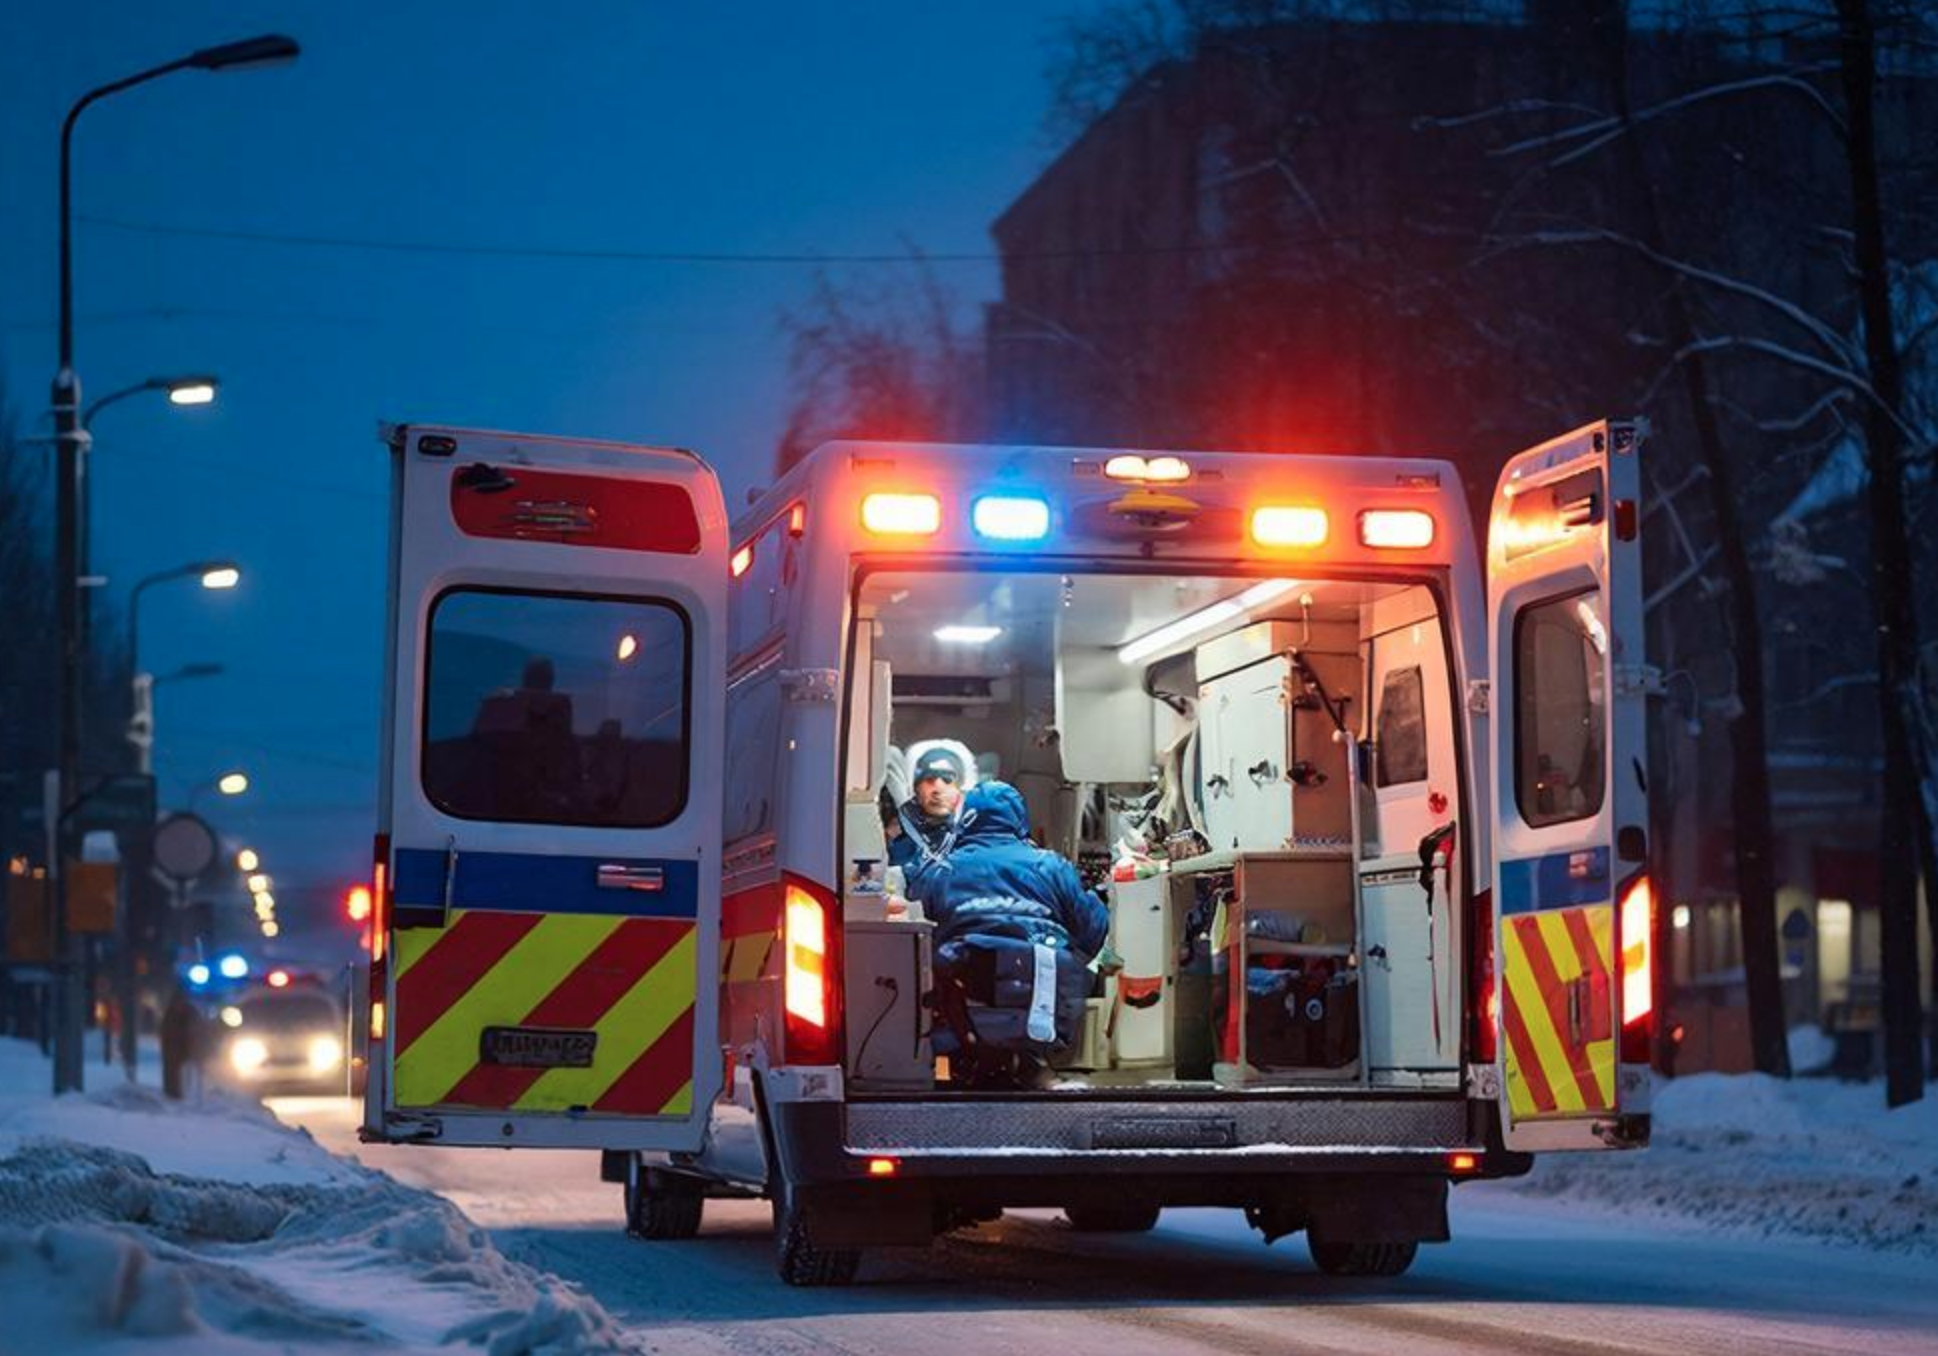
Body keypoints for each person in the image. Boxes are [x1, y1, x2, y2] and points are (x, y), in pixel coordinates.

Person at [902, 781, 1109, 1086]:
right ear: (1018, 818)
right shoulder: (1050, 866)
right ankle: (1034, 1063)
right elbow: (1091, 931)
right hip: (1041, 1006)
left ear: (967, 817)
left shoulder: (940, 869)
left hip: (961, 1008)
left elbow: (913, 932)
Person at [886, 743, 969, 869]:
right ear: (916, 789)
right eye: (929, 779)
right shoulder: (900, 831)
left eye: (947, 780)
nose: (938, 790)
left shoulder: (974, 833)